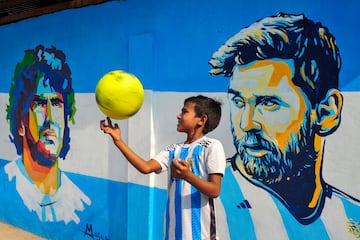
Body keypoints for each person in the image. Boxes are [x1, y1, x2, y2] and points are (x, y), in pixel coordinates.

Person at [209, 13, 360, 239]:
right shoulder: (203, 203)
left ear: (327, 112)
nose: (246, 123)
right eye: (239, 102)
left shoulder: (353, 218)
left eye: (268, 103)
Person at [100, 95, 226, 240]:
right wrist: (118, 140)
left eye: (184, 112)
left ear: (202, 120)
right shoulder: (174, 149)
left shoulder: (212, 146)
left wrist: (187, 176)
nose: (178, 115)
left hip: (200, 235)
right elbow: (145, 167)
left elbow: (214, 190)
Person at [3, 45, 90, 223]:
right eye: (40, 104)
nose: (50, 117)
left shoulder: (78, 203)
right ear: (21, 123)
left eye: (57, 104)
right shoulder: (6, 183)